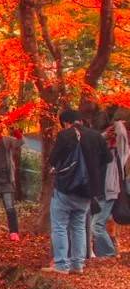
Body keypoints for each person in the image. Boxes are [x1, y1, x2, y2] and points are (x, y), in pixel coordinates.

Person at [45, 109, 111, 274]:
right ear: (79, 120)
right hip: (87, 191)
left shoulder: (65, 135)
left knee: (60, 226)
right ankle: (78, 265)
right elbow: (107, 158)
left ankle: (61, 264)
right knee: (79, 226)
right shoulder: (96, 136)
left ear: (66, 122)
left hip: (65, 188)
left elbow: (53, 159)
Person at [91, 119, 128, 259]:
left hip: (109, 191)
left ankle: (109, 253)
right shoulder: (105, 151)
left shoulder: (117, 153)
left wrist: (117, 128)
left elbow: (121, 140)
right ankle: (104, 253)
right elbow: (93, 143)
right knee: (96, 225)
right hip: (103, 191)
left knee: (97, 225)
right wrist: (105, 135)